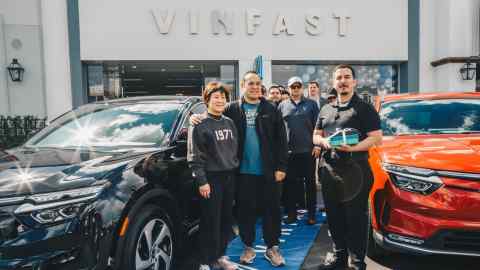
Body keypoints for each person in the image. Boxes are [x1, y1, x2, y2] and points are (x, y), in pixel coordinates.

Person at [190, 71, 289, 267]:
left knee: (272, 210)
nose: (255, 87)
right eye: (250, 83)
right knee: (245, 211)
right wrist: (194, 118)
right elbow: (212, 115)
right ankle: (248, 246)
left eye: (258, 84)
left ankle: (272, 248)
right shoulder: (232, 108)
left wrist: (281, 166)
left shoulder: (271, 108)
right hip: (241, 173)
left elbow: (282, 140)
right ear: (243, 86)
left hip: (269, 172)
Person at [313, 65, 382, 270]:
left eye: (347, 77)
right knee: (334, 217)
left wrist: (353, 148)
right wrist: (324, 143)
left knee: (355, 219)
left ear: (354, 82)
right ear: (333, 83)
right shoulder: (326, 109)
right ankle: (339, 259)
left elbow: (376, 138)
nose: (342, 81)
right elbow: (315, 135)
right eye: (339, 78)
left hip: (356, 172)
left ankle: (357, 262)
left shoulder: (364, 108)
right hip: (329, 171)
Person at [188, 82, 239, 270]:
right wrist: (202, 181)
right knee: (210, 221)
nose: (220, 100)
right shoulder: (199, 124)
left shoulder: (229, 122)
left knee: (226, 220)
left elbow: (234, 150)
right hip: (211, 179)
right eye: (216, 97)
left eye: (223, 97)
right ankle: (204, 260)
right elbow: (194, 156)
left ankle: (220, 256)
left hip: (229, 178)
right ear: (207, 100)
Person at [277, 76, 320, 225]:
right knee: (290, 185)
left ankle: (312, 214)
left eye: (298, 86)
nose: (295, 89)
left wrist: (318, 145)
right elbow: (279, 129)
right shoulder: (282, 106)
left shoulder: (312, 105)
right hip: (289, 152)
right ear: (288, 89)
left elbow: (318, 126)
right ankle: (291, 214)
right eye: (292, 87)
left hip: (308, 151)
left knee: (310, 184)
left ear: (302, 88)